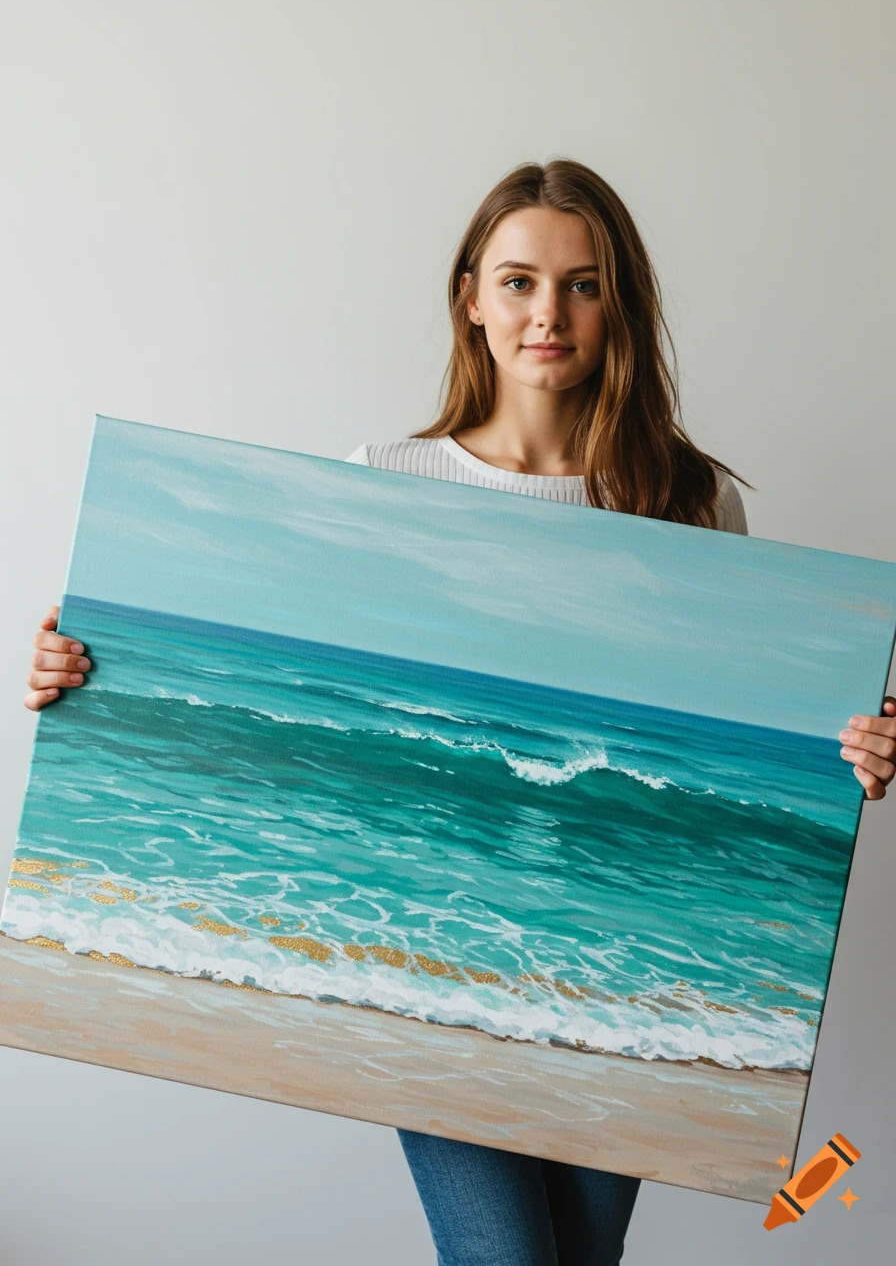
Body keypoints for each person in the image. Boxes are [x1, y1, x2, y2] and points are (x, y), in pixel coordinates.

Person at [23, 158, 896, 1266]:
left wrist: (851, 751)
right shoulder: (385, 479)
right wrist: (92, 665)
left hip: (627, 958)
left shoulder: (685, 499)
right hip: (432, 949)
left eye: (582, 284)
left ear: (616, 303)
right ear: (470, 295)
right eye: (520, 280)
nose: (548, 313)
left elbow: (747, 738)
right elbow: (262, 680)